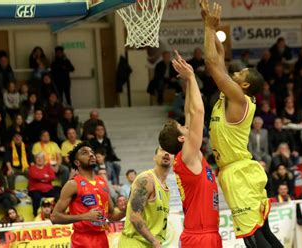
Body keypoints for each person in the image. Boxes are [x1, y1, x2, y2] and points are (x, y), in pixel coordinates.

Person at [200, 1, 282, 247]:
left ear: (244, 85)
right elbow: (219, 57)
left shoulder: (237, 97)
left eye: (240, 74)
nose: (235, 73)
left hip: (239, 174)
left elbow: (212, 64)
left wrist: (206, 27)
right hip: (240, 171)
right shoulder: (232, 94)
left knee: (253, 238)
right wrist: (211, 28)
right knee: (262, 231)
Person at [158, 51, 221, 247]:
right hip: (200, 236)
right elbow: (198, 111)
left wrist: (187, 80)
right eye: (182, 127)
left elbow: (189, 112)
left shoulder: (187, 153)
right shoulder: (188, 155)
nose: (187, 125)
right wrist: (193, 77)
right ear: (181, 137)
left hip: (205, 233)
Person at [51, 143, 126, 248]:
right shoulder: (72, 184)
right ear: (77, 162)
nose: (91, 155)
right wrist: (85, 216)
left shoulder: (102, 181)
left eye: (92, 152)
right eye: (85, 153)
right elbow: (54, 217)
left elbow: (112, 216)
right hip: (82, 240)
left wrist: (125, 210)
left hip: (102, 239)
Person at [118, 146, 172, 248]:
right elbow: (134, 217)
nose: (166, 153)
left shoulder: (166, 188)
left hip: (150, 244)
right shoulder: (146, 179)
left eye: (169, 151)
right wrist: (155, 241)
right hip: (134, 243)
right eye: (162, 150)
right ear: (154, 158)